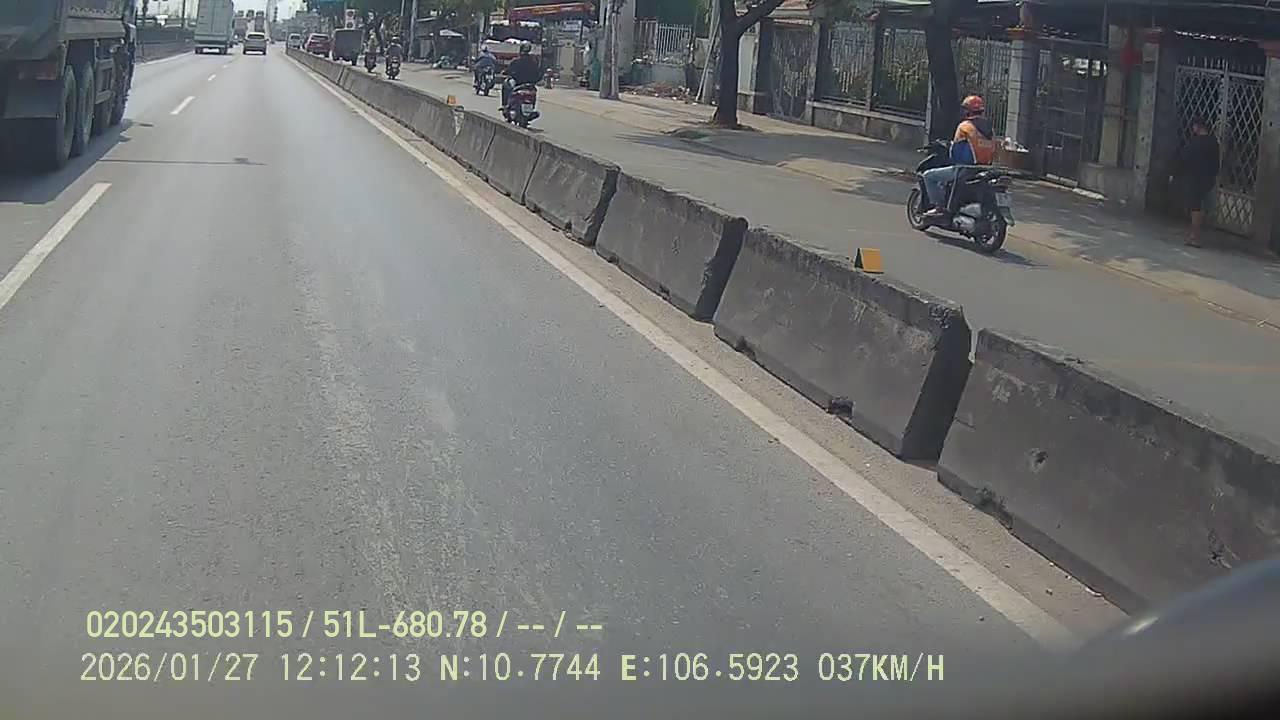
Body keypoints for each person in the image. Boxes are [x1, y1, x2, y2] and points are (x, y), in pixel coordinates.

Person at [922, 95, 997, 220]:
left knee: (929, 176)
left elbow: (955, 151)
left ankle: (939, 208)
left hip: (965, 169)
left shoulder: (965, 126)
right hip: (985, 169)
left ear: (967, 111)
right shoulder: (990, 129)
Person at [1173, 116, 1220, 247]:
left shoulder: (1195, 142)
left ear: (1199, 126)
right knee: (1201, 207)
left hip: (1194, 178)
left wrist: (1178, 172)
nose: (1193, 128)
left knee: (1195, 207)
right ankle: (1196, 235)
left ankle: (1195, 237)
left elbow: (1184, 157)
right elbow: (1216, 164)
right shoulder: (1213, 142)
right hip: (1207, 179)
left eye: (1194, 126)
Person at [503, 41, 541, 110]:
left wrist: (505, 72)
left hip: (518, 83)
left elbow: (508, 70)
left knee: (506, 84)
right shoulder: (533, 61)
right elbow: (538, 74)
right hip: (530, 84)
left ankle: (505, 105)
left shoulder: (516, 61)